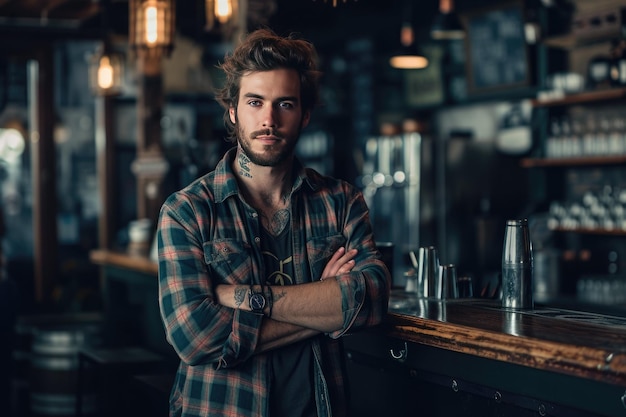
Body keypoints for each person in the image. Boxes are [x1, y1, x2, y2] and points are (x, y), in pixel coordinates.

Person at [157, 28, 390, 417]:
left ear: (305, 114)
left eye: (284, 103)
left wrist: (240, 296)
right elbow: (195, 338)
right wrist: (325, 306)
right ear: (233, 111)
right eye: (255, 102)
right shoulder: (187, 211)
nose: (269, 118)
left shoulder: (340, 201)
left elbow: (372, 298)